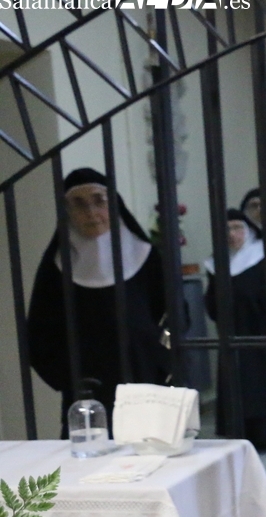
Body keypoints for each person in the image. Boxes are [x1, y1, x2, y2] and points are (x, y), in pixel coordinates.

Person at [28, 168, 169, 433]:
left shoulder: (146, 256)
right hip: (89, 393)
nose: (91, 212)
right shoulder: (56, 268)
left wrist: (161, 360)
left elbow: (174, 315)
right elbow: (39, 335)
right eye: (78, 204)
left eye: (98, 200)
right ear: (66, 211)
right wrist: (68, 378)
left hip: (147, 381)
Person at [205, 210, 266, 448]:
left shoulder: (265, 253)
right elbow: (212, 299)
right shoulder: (217, 262)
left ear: (249, 230)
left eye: (237, 228)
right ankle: (244, 431)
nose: (232, 234)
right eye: (226, 229)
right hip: (235, 331)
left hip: (265, 329)